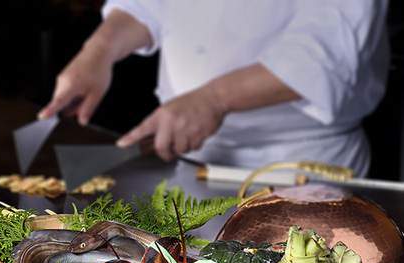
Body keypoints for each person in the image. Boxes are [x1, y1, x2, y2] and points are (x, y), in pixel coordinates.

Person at [38, 0, 390, 178]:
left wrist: (215, 99)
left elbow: (323, 53)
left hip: (296, 167)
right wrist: (97, 52)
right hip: (189, 158)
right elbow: (148, 5)